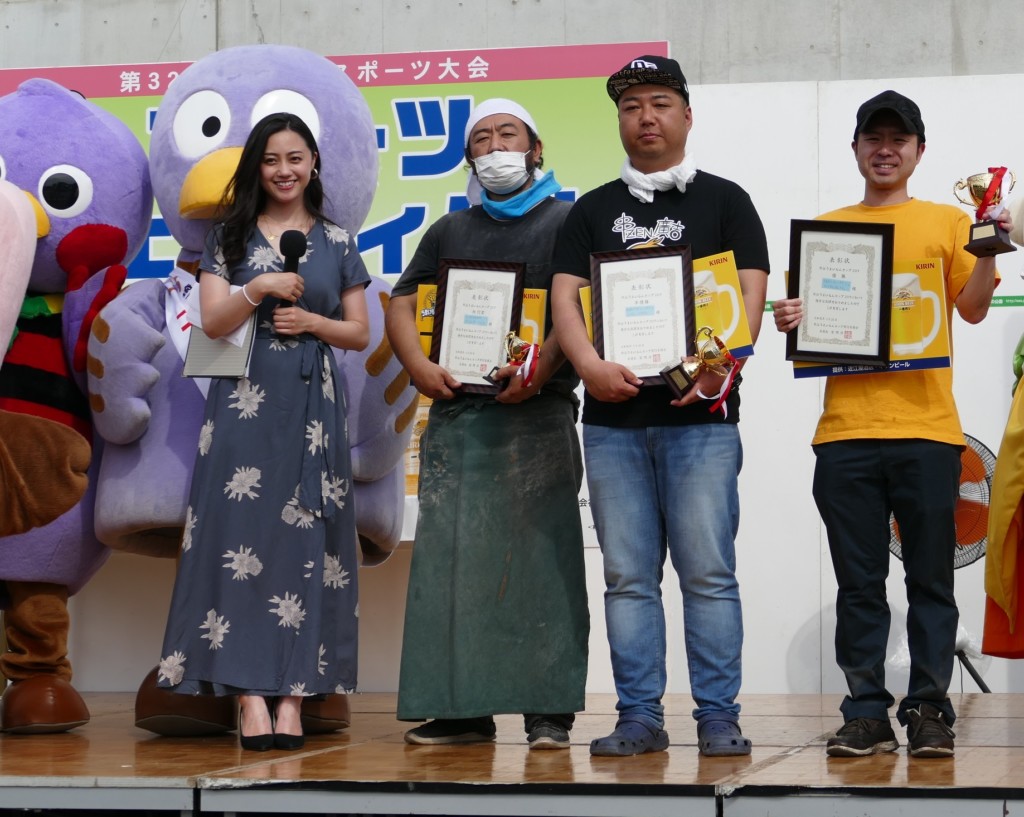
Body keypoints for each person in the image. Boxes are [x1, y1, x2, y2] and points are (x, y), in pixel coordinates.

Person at [772, 90, 1012, 758]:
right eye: (873, 138)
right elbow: (815, 328)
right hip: (844, 435)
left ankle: (930, 708)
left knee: (931, 580)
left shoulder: (946, 221)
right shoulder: (827, 231)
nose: (885, 150)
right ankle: (866, 713)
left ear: (919, 150)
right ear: (855, 148)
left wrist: (989, 248)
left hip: (929, 431)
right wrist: (793, 319)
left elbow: (972, 309)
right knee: (859, 585)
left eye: (898, 139)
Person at [551, 56, 769, 757]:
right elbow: (564, 301)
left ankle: (718, 715)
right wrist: (588, 366)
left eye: (660, 103)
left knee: (708, 574)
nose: (645, 117)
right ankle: (639, 716)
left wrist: (717, 371)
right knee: (627, 578)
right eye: (631, 107)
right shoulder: (590, 210)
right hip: (613, 425)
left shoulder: (727, 201)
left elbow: (749, 299)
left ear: (687, 115)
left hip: (703, 423)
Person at [156, 112, 370, 752]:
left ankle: (295, 697)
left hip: (311, 406)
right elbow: (213, 322)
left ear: (314, 163)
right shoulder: (227, 237)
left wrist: (312, 323)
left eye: (295, 157)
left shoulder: (339, 240)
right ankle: (248, 697)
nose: (284, 170)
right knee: (237, 538)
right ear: (256, 166)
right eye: (272, 159)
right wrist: (257, 288)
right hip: (242, 405)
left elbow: (359, 332)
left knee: (309, 540)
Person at [385, 98, 589, 750]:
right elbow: (402, 301)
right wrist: (418, 366)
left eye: (508, 135)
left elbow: (580, 305)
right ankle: (458, 710)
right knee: (452, 569)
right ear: (469, 158)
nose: (496, 148)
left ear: (536, 149)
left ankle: (547, 710)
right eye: (481, 139)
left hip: (540, 414)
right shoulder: (450, 229)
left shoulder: (569, 220)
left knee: (544, 565)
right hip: (459, 420)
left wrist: (541, 366)